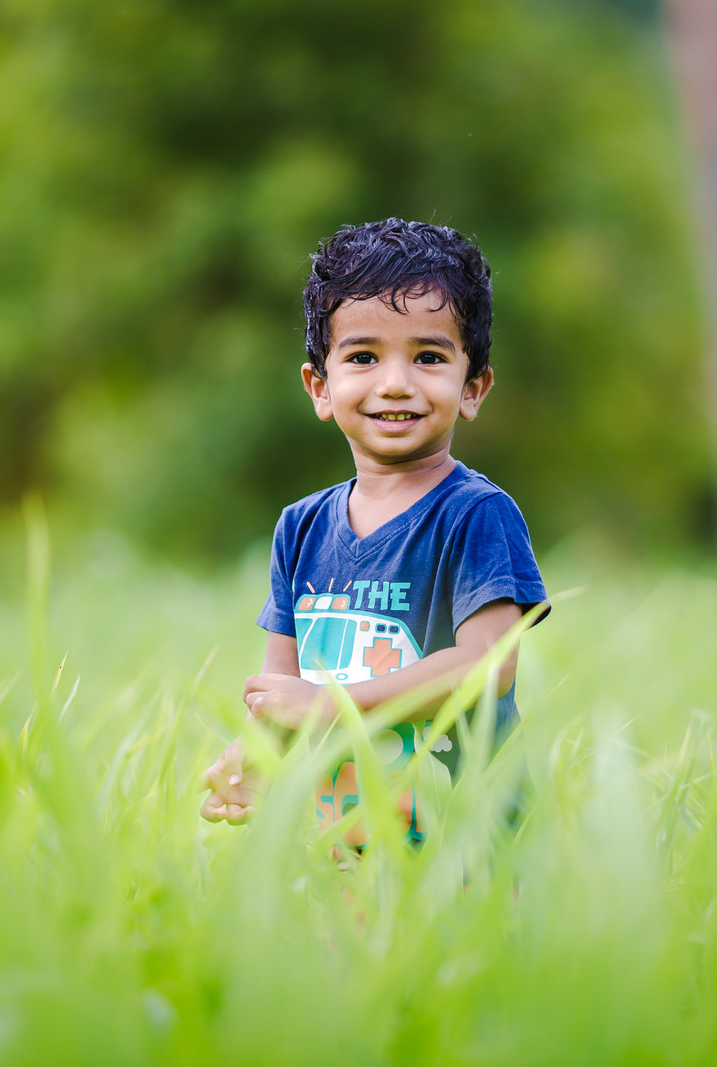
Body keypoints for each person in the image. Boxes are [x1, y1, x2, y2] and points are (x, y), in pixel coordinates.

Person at [200, 218, 547, 845]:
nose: (395, 382)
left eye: (429, 357)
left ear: (472, 388)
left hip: (462, 847)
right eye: (363, 356)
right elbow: (287, 689)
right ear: (320, 387)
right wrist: (257, 750)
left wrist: (335, 706)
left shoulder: (474, 514)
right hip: (343, 842)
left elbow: (486, 666)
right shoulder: (300, 527)